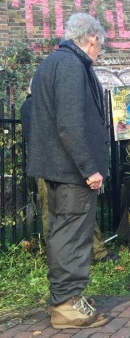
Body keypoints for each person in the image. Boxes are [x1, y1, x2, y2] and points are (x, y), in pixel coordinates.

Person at [26, 13, 110, 329]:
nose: (99, 52)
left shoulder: (52, 62)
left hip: (58, 167)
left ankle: (68, 298)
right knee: (72, 235)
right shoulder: (72, 65)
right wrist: (89, 168)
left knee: (63, 231)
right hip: (73, 170)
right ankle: (66, 304)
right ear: (91, 39)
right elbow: (71, 124)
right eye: (99, 46)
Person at [20, 94, 118, 263]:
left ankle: (95, 252)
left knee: (80, 208)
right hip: (48, 166)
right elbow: (35, 137)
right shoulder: (32, 105)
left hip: (68, 164)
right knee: (53, 211)